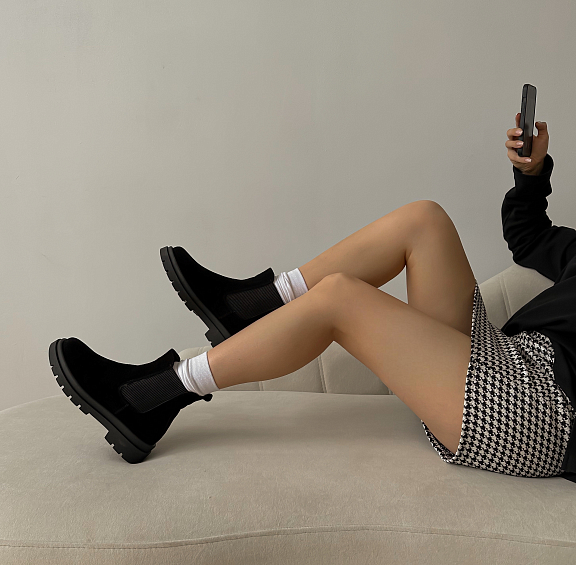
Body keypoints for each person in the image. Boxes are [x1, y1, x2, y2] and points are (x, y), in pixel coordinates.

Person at [49, 115, 576, 483]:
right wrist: (531, 174)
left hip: (545, 412)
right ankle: (255, 302)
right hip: (511, 360)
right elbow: (531, 239)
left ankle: (154, 397)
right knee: (425, 220)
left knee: (341, 299)